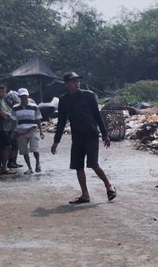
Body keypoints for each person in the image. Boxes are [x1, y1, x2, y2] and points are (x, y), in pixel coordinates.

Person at [51, 72, 116, 204]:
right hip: (77, 136)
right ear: (66, 84)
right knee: (78, 166)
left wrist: (105, 134)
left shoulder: (89, 95)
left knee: (93, 164)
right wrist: (56, 141)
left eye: (77, 81)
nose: (76, 83)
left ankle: (109, 186)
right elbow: (61, 122)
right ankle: (85, 195)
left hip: (91, 134)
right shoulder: (63, 100)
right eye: (73, 81)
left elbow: (97, 116)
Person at [12, 88, 44, 174]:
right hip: (21, 131)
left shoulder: (34, 106)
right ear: (19, 97)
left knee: (35, 148)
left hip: (32, 129)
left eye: (25, 96)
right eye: (22, 96)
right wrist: (13, 132)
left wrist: (41, 131)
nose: (24, 98)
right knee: (24, 150)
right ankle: (29, 167)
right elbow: (14, 121)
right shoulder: (15, 108)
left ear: (28, 96)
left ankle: (37, 163)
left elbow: (38, 119)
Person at [0, 84, 16, 174]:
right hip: (0, 128)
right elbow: (4, 115)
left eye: (4, 91)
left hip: (7, 127)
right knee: (7, 146)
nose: (4, 93)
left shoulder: (3, 101)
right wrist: (8, 115)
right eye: (2, 92)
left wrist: (8, 115)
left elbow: (10, 114)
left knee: (3, 147)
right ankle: (3, 167)